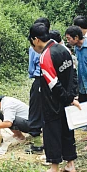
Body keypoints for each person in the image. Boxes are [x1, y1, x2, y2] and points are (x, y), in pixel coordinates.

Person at [29, 23, 80, 172]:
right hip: (66, 99)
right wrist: (71, 97)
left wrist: (67, 98)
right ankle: (70, 164)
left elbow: (53, 84)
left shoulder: (45, 56)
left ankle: (54, 168)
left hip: (53, 102)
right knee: (67, 131)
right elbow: (72, 75)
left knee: (52, 133)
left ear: (36, 39)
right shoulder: (63, 49)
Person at [26, 17, 50, 154]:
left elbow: (31, 68)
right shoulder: (56, 46)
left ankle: (36, 144)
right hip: (52, 82)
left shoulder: (35, 48)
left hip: (40, 79)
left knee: (35, 111)